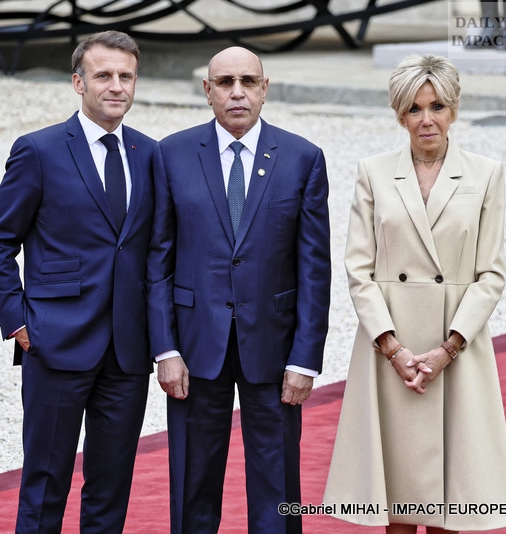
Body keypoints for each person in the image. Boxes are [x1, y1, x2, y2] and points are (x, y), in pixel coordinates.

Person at [323, 54, 506, 533]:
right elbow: (358, 269)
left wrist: (449, 347)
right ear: (399, 115)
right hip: (390, 347)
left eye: (437, 106)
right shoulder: (373, 172)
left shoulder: (485, 173)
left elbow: (491, 274)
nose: (426, 119)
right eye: (414, 108)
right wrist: (392, 348)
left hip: (457, 348)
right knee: (397, 499)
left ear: (453, 110)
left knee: (452, 500)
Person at [147, 46, 331, 534]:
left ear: (265, 89)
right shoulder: (171, 154)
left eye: (248, 82)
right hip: (193, 349)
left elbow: (315, 269)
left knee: (277, 486)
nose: (237, 93)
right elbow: (158, 260)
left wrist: (305, 360)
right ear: (207, 91)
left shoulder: (303, 159)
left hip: (274, 348)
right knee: (193, 482)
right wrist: (165, 349)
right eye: (225, 83)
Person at [0, 31, 156, 533]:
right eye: (104, 75)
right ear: (78, 83)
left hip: (128, 350)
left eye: (126, 76)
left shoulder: (150, 154)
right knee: (44, 483)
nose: (116, 86)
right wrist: (17, 322)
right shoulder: (38, 151)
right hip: (54, 342)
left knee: (111, 485)